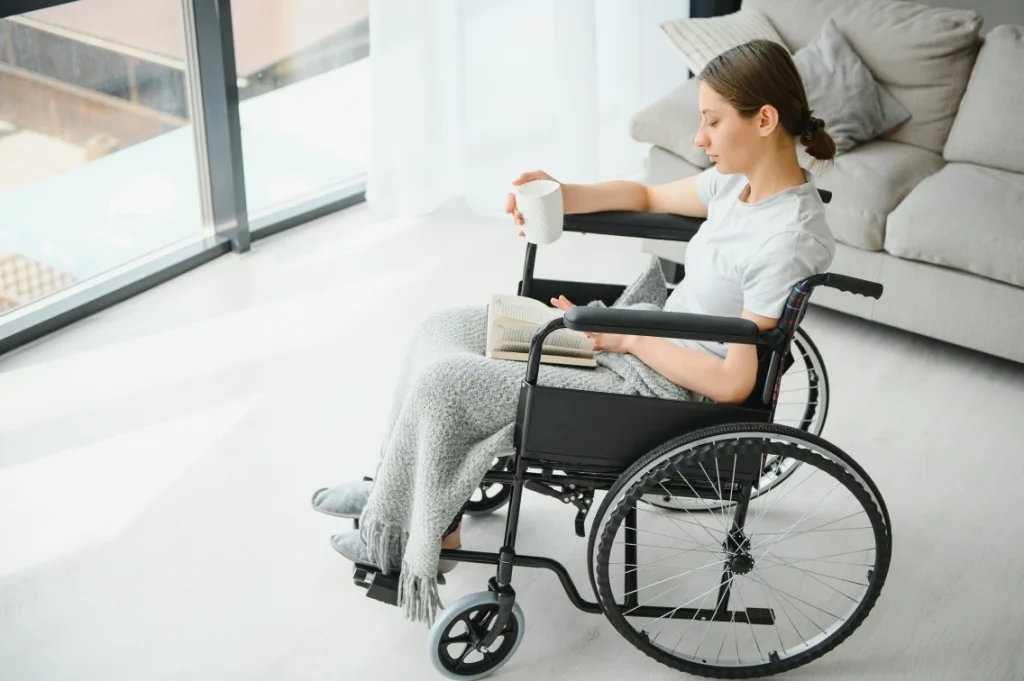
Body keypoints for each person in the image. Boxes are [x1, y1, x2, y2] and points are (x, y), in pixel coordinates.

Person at [310, 38, 838, 622]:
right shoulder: (738, 189)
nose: (698, 138)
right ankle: (396, 491)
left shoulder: (786, 238)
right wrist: (561, 193)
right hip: (646, 346)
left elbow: (734, 382)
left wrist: (628, 337)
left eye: (712, 122)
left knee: (448, 383)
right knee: (443, 329)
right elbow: (640, 193)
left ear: (764, 119)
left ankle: (419, 533)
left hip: (666, 394)